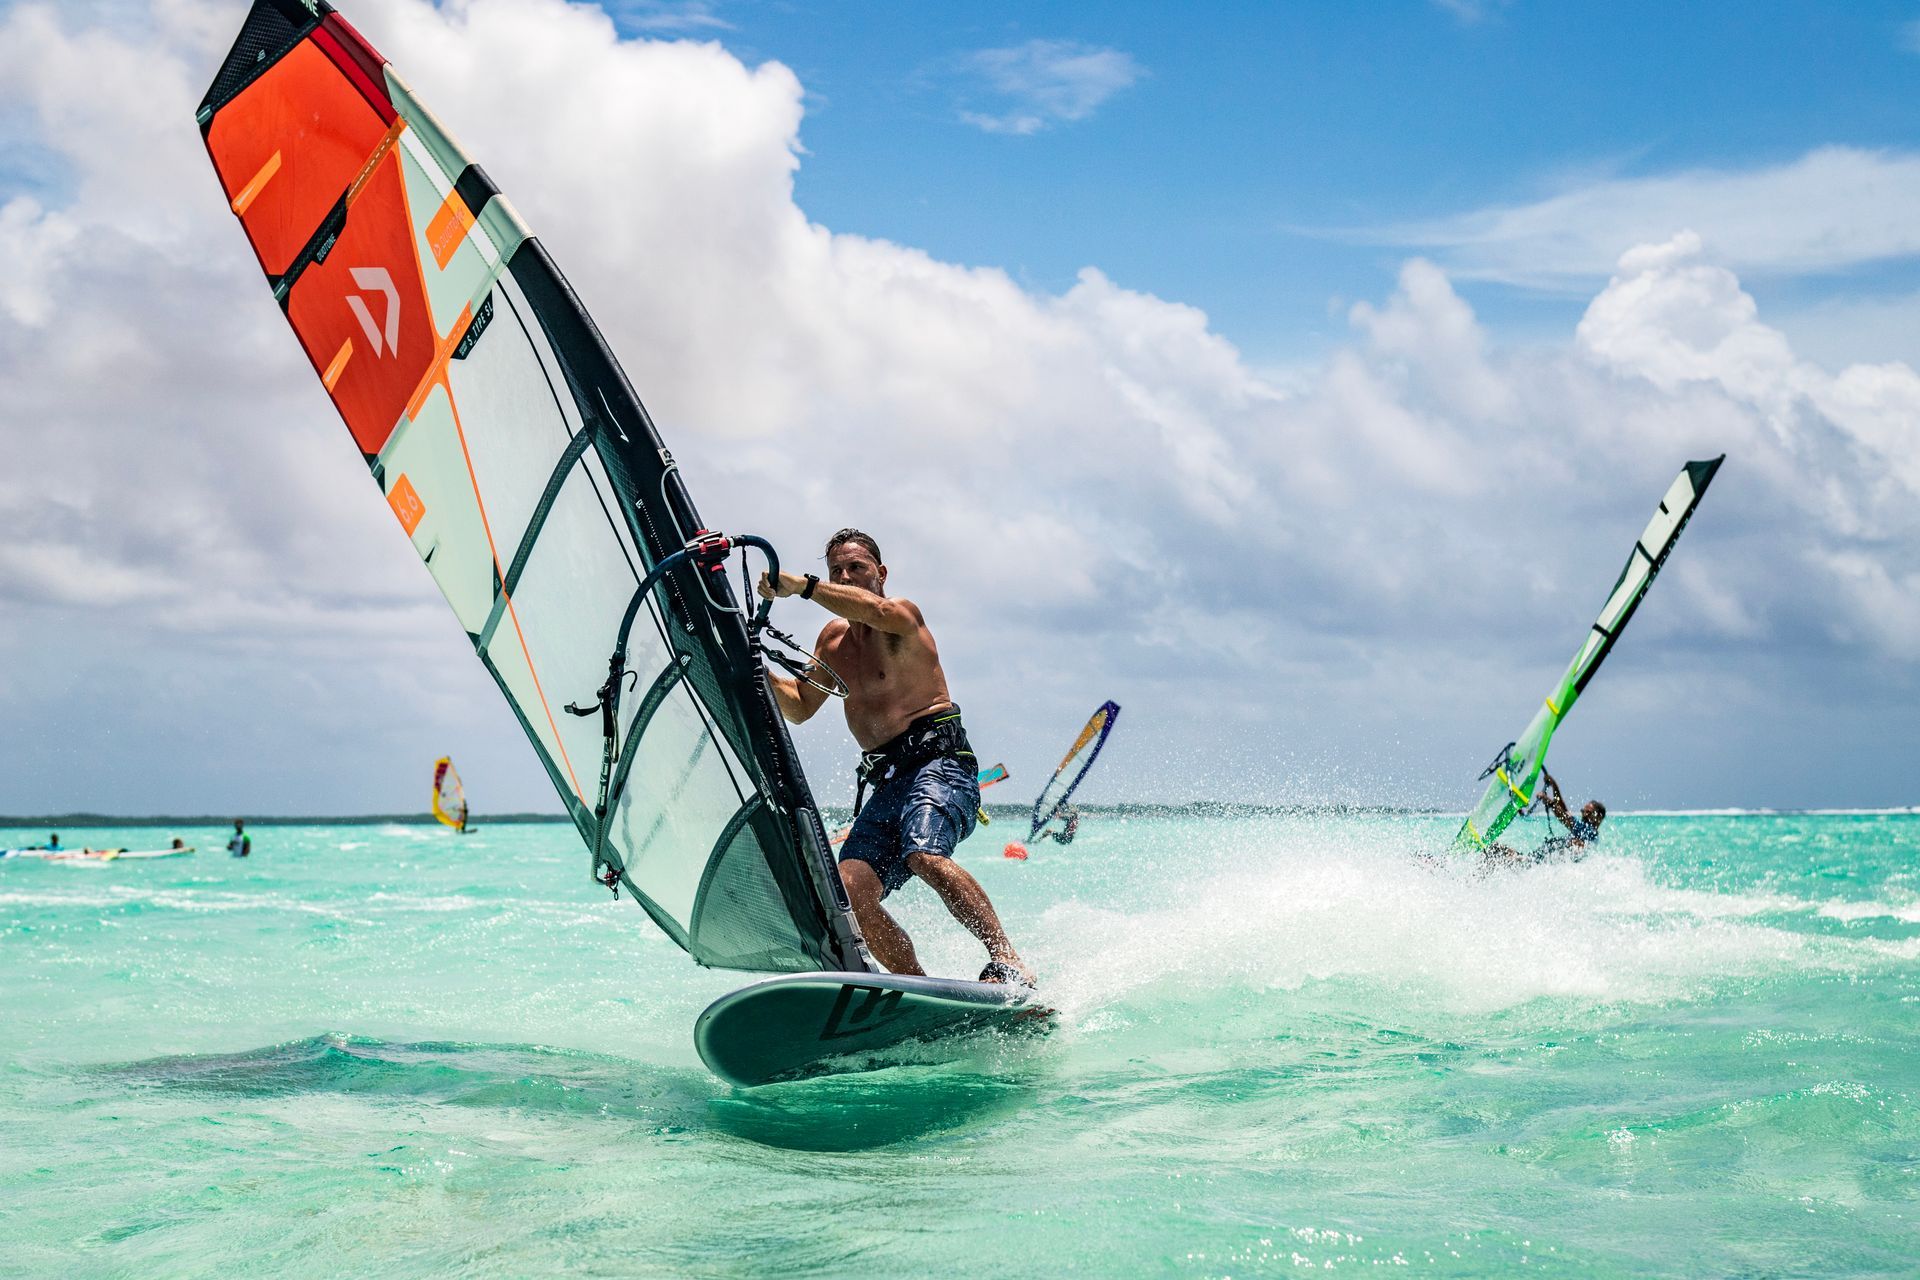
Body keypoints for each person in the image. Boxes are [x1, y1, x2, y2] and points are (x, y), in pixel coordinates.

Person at [758, 528, 1034, 986]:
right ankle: (920, 990)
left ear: (881, 573)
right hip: (888, 781)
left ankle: (1009, 960)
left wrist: (803, 585)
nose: (845, 577)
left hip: (940, 766)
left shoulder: (902, 616)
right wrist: (756, 669)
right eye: (836, 572)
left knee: (923, 855)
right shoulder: (832, 641)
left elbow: (878, 611)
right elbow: (801, 706)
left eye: (856, 568)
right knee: (846, 890)